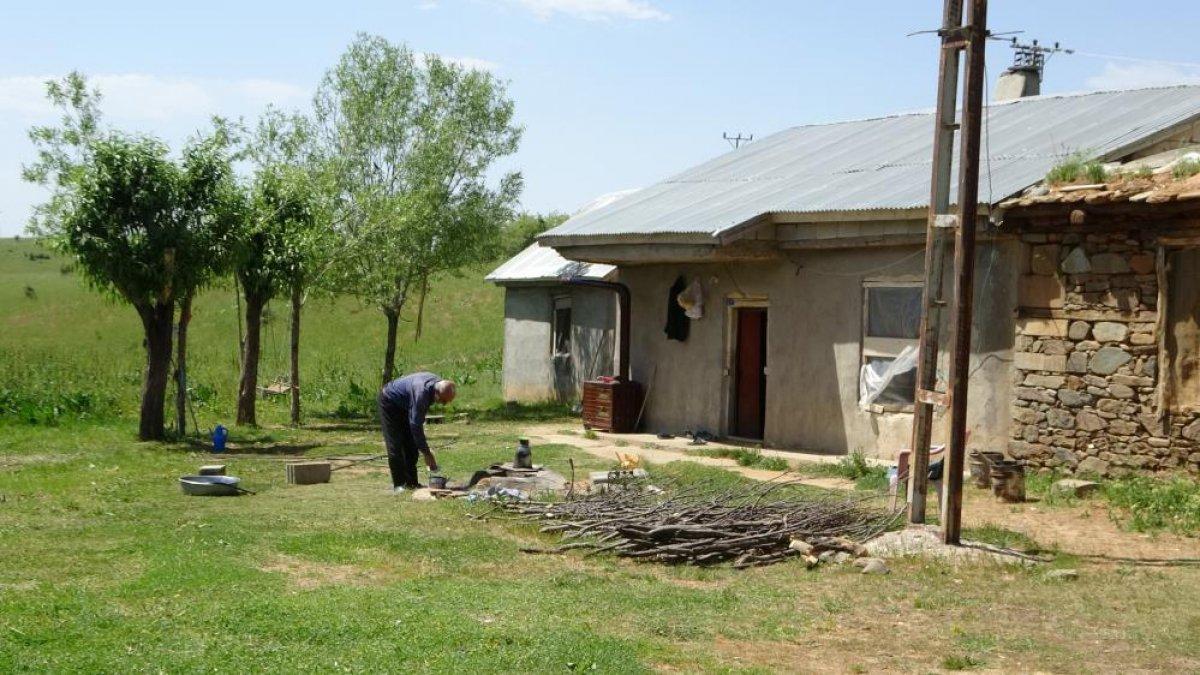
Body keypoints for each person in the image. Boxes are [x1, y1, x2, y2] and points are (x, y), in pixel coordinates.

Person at [378, 372, 456, 492]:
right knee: (395, 444)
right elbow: (416, 426)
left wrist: (423, 449)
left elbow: (416, 425)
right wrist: (427, 453)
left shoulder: (437, 385)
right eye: (443, 401)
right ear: (436, 394)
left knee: (411, 445)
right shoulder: (421, 394)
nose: (443, 404)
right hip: (389, 401)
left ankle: (412, 483)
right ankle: (399, 484)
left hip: (405, 403)